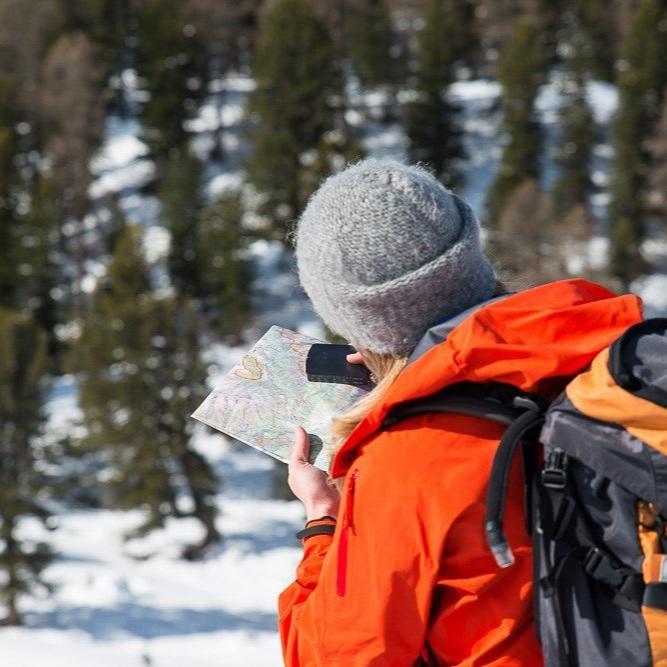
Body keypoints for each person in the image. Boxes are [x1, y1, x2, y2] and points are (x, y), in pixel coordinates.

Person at [278, 158, 643, 666]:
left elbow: (335, 655)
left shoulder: (408, 459)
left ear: (353, 323)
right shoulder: (612, 354)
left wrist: (324, 520)